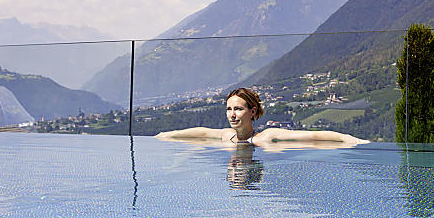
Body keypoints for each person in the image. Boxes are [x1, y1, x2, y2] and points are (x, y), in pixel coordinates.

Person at [155, 87, 368, 146]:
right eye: (229, 109)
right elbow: (200, 132)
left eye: (238, 109)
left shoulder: (266, 138)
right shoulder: (225, 136)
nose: (232, 114)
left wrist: (347, 138)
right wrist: (167, 134)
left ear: (253, 111)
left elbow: (312, 137)